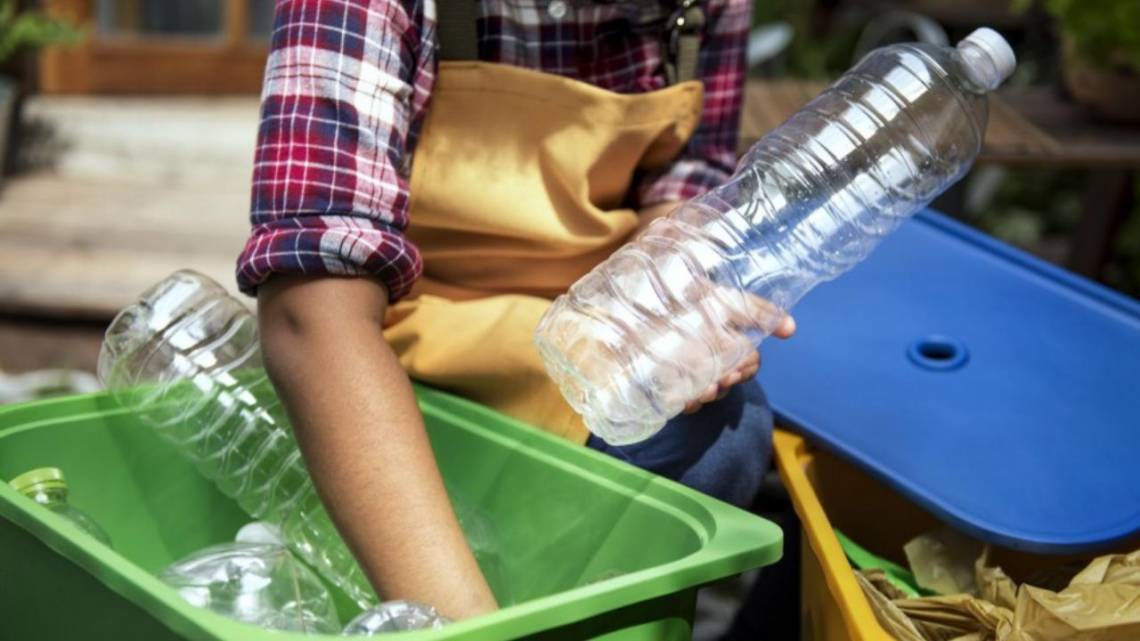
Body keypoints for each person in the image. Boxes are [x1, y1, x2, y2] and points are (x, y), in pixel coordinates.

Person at [238, 0, 794, 619]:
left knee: (724, 431)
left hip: (578, 336)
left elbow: (685, 181)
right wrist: (465, 628)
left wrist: (668, 296)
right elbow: (309, 313)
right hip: (396, 344)